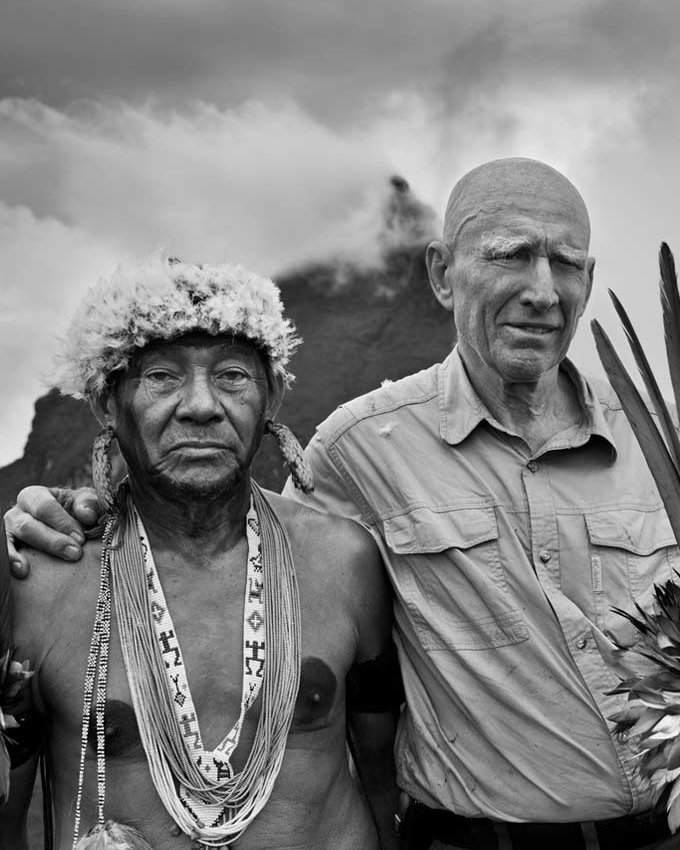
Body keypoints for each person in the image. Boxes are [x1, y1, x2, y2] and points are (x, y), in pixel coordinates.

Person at [6, 158, 680, 849]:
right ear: (440, 273)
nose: (542, 289)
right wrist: (67, 509)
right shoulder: (361, 450)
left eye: (567, 264)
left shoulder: (674, 450)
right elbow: (217, 543)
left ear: (591, 281)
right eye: (510, 256)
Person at [0, 258, 399, 849]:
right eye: (162, 376)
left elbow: (383, 778)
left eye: (233, 375)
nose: (201, 406)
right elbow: (7, 811)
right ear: (107, 402)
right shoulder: (41, 577)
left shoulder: (344, 561)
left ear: (273, 398)